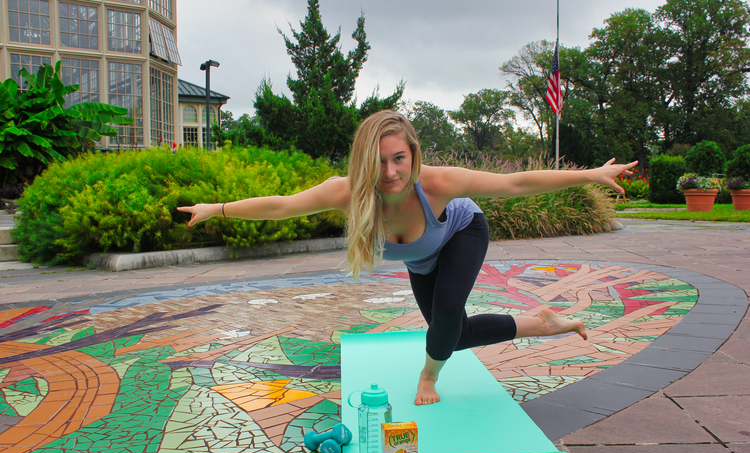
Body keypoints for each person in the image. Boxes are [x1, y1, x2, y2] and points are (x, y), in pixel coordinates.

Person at [178, 110, 636, 406]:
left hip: (461, 233)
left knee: (443, 321)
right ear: (363, 161)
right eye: (379, 162)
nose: (391, 172)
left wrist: (592, 175)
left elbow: (515, 184)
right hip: (423, 261)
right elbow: (280, 205)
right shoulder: (346, 193)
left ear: (413, 154)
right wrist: (214, 209)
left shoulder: (435, 184)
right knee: (452, 335)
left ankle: (428, 379)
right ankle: (540, 323)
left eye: (399, 158)